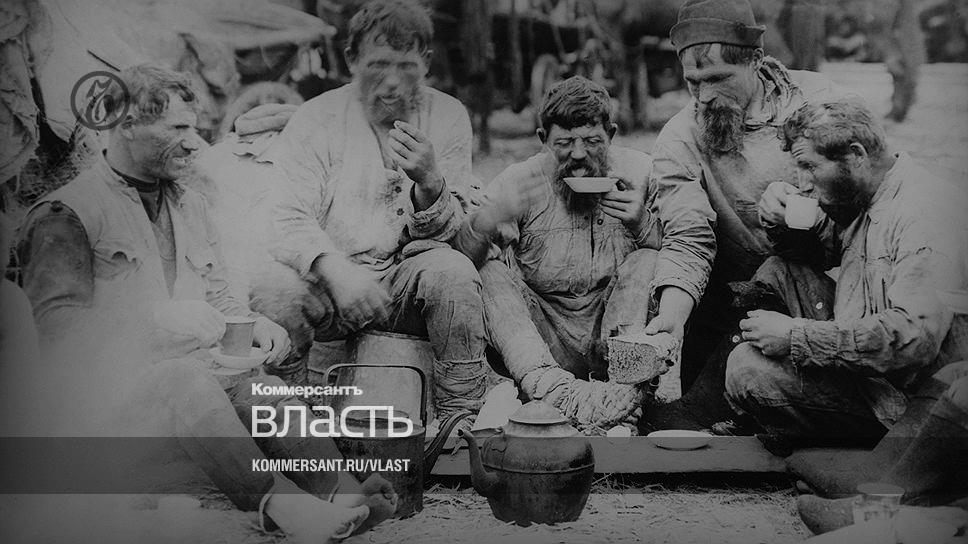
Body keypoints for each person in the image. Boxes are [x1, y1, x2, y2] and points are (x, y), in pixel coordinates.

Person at [15, 64, 395, 541]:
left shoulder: (188, 204)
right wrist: (153, 319)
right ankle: (287, 510)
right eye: (178, 128)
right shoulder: (67, 213)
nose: (195, 143)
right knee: (183, 376)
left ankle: (341, 494)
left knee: (259, 388)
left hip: (190, 407)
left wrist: (253, 323)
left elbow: (217, 296)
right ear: (127, 124)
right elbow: (58, 334)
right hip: (100, 415)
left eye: (194, 128)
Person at [250, 0, 488, 421]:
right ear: (351, 60)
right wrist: (337, 272)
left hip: (400, 285)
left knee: (453, 272)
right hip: (328, 285)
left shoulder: (448, 116)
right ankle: (292, 415)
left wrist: (431, 182)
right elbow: (286, 217)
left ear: (426, 61)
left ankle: (460, 418)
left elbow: (454, 239)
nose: (392, 82)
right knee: (273, 287)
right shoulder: (317, 117)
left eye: (406, 66)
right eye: (378, 65)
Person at [724, 99, 968, 455]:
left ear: (856, 155)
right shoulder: (868, 193)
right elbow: (814, 255)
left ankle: (847, 445)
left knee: (746, 369)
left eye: (809, 167)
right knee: (779, 270)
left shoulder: (923, 213)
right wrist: (778, 220)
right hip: (872, 372)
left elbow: (913, 341)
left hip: (911, 403)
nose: (803, 182)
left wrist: (796, 337)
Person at [646, 0, 847, 430]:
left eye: (718, 79)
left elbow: (866, 201)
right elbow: (687, 237)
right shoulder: (679, 138)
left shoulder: (822, 104)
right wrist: (672, 318)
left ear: (755, 60)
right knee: (695, 426)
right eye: (693, 82)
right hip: (725, 304)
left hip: (821, 296)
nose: (704, 96)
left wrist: (815, 212)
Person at [452, 76, 659, 432]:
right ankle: (551, 391)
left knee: (649, 260)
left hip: (612, 329)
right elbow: (462, 264)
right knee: (488, 272)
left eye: (592, 141)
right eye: (564, 143)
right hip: (541, 336)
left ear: (611, 134)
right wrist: (489, 219)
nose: (578, 154)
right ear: (543, 139)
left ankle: (621, 396)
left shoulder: (641, 172)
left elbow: (680, 254)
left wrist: (643, 223)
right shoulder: (521, 180)